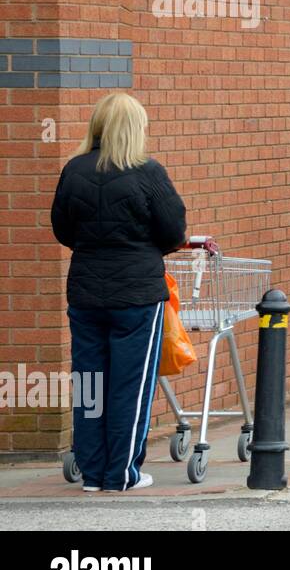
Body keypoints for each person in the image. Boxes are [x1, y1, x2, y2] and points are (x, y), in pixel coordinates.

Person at [51, 93, 188, 492]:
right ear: (135, 128)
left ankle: (93, 474)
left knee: (90, 382)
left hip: (86, 293)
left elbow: (63, 230)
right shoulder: (148, 172)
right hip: (137, 297)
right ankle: (122, 473)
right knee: (130, 385)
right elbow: (174, 232)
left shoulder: (73, 170)